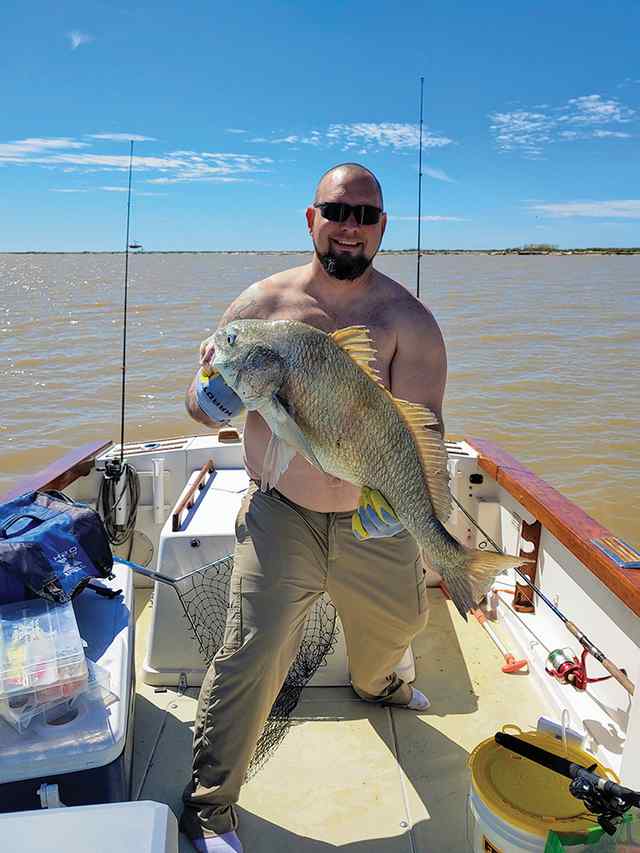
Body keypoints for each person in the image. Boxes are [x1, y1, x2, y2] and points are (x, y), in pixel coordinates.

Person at [181, 163, 447, 853]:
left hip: (374, 508)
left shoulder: (408, 322)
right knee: (251, 651)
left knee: (400, 623)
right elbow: (201, 386)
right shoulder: (261, 306)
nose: (350, 226)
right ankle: (211, 809)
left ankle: (381, 683)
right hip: (282, 509)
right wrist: (210, 401)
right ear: (311, 218)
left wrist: (407, 508)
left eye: (366, 215)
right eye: (338, 210)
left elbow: (426, 430)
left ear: (382, 227)